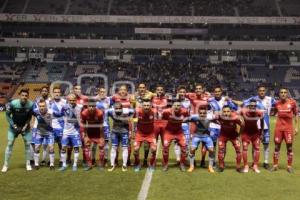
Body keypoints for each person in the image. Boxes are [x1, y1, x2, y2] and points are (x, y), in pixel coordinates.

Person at [243, 85, 276, 169]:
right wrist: (230, 100)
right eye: (260, 90)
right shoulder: (253, 99)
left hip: (266, 126)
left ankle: (266, 162)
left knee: (266, 144)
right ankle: (254, 162)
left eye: (263, 90)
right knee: (254, 145)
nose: (262, 92)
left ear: (266, 91)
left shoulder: (270, 99)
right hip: (256, 126)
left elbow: (278, 104)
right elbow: (242, 103)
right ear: (258, 91)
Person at [2, 88, 34, 172]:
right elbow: (8, 115)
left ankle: (28, 164)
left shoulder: (31, 104)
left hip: (25, 127)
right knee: (9, 143)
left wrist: (26, 125)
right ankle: (5, 165)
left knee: (28, 144)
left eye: (26, 95)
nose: (24, 97)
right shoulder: (13, 103)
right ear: (20, 95)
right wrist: (14, 126)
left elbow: (30, 117)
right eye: (23, 95)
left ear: (28, 96)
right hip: (14, 127)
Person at [270, 87, 298, 173]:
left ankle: (289, 166)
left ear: (287, 93)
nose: (283, 94)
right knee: (276, 147)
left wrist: (297, 127)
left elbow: (296, 114)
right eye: (281, 92)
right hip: (278, 129)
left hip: (288, 129)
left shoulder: (292, 103)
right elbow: (273, 113)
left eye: (285, 92)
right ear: (279, 94)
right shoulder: (277, 104)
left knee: (289, 147)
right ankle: (275, 165)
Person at [162, 100, 189, 171]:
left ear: (181, 107)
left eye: (178, 105)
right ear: (172, 106)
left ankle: (182, 164)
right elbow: (163, 119)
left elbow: (187, 118)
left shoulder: (185, 111)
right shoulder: (166, 112)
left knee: (184, 147)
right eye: (175, 105)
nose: (176, 107)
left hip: (179, 132)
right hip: (169, 132)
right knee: (165, 148)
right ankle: (165, 164)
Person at [187, 107, 216, 173]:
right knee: (192, 149)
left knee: (211, 150)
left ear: (206, 113)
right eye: (201, 113)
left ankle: (210, 167)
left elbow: (218, 121)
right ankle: (191, 166)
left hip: (206, 136)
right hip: (197, 136)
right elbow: (186, 119)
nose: (202, 114)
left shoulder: (210, 118)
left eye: (204, 113)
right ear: (198, 113)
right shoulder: (194, 117)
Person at [107, 102, 134, 172]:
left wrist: (129, 118)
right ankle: (112, 164)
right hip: (114, 131)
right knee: (113, 147)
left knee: (125, 148)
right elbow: (104, 112)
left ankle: (124, 165)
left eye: (120, 108)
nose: (118, 110)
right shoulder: (111, 111)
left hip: (124, 132)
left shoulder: (126, 111)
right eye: (116, 108)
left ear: (122, 108)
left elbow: (134, 111)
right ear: (114, 109)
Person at [59, 94, 82, 172]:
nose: (72, 102)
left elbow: (80, 120)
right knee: (63, 148)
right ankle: (64, 165)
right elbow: (60, 116)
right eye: (70, 100)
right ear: (68, 100)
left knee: (76, 148)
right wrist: (62, 125)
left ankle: (75, 165)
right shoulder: (64, 107)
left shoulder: (79, 108)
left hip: (75, 131)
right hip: (66, 131)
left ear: (76, 100)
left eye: (73, 100)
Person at [240, 99, 264, 173]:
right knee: (245, 149)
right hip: (245, 133)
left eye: (254, 106)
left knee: (257, 149)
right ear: (249, 105)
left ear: (256, 106)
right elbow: (237, 115)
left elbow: (262, 122)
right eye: (251, 105)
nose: (253, 107)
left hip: (255, 133)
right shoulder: (243, 111)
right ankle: (246, 166)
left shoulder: (259, 112)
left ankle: (255, 166)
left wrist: (262, 132)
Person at [217, 106, 244, 172]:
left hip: (233, 136)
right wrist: (217, 123)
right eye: (224, 111)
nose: (226, 113)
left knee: (238, 150)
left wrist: (239, 134)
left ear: (231, 111)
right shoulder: (219, 116)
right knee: (221, 150)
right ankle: (221, 166)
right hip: (223, 136)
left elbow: (242, 125)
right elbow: (213, 120)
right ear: (222, 112)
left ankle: (238, 167)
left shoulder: (235, 117)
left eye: (228, 111)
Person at [81, 98, 105, 171]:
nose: (91, 108)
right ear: (87, 106)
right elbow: (84, 124)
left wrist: (101, 137)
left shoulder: (100, 113)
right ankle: (89, 164)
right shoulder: (84, 113)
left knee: (101, 148)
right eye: (90, 106)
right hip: (89, 132)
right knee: (87, 148)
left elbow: (101, 125)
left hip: (98, 132)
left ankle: (101, 164)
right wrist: (85, 135)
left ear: (95, 106)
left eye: (93, 106)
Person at [133, 100, 157, 172]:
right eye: (145, 105)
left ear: (150, 106)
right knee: (136, 149)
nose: (146, 107)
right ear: (142, 106)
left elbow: (157, 122)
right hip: (140, 133)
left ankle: (151, 164)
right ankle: (138, 164)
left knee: (153, 149)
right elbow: (134, 121)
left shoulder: (154, 112)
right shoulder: (137, 112)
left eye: (148, 105)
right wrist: (134, 131)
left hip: (150, 134)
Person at [32, 99, 55, 170]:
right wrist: (32, 124)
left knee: (51, 147)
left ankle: (52, 164)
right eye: (40, 106)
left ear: (46, 106)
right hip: (39, 132)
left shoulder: (51, 112)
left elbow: (58, 117)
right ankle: (36, 164)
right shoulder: (35, 111)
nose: (41, 107)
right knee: (36, 147)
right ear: (38, 106)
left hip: (49, 132)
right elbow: (30, 116)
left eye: (43, 106)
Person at [49, 86, 67, 167]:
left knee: (61, 145)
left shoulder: (64, 102)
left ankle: (61, 161)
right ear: (53, 93)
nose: (57, 94)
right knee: (51, 145)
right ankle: (52, 163)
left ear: (60, 93)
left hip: (61, 127)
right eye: (55, 92)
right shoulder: (49, 102)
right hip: (51, 127)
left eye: (58, 92)